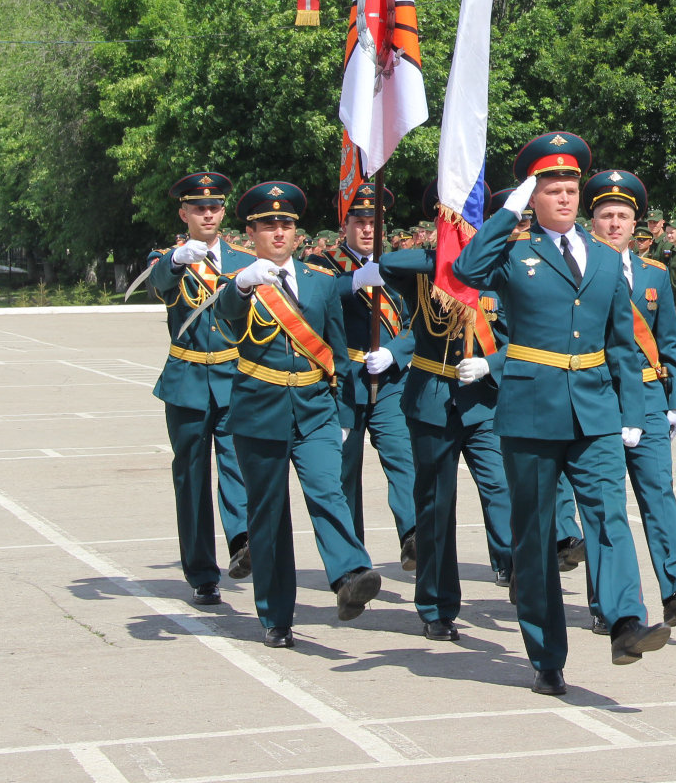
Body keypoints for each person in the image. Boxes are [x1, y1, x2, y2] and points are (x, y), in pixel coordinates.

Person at [451, 132, 670, 695]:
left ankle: (624, 621)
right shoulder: (514, 250)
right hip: (529, 410)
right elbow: (467, 270)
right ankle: (547, 654)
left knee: (608, 516)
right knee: (536, 535)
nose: (566, 198)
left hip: (595, 408)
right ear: (534, 195)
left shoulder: (603, 257)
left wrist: (631, 411)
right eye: (552, 188)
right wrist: (507, 211)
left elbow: (622, 340)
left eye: (572, 187)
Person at [214, 181, 381, 649]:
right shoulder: (240, 282)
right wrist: (242, 287)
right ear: (251, 233)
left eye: (286, 223)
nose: (279, 231)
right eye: (269, 224)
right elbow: (226, 318)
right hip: (258, 412)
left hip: (314, 411)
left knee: (329, 491)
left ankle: (350, 574)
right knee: (268, 516)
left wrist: (345, 411)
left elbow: (337, 352)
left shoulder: (319, 282)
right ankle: (276, 616)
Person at [360, 188, 513, 642]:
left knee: (503, 488)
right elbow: (387, 264)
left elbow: (521, 334)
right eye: (447, 222)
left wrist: (492, 363)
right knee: (435, 505)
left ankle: (516, 570)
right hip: (431, 399)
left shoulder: (496, 268)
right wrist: (444, 252)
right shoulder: (425, 271)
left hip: (483, 399)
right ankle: (435, 604)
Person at [576, 170, 676, 632]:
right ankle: (605, 603)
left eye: (624, 216)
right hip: (602, 398)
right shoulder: (579, 271)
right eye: (606, 215)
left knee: (659, 494)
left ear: (636, 224)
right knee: (604, 503)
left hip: (651, 398)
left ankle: (675, 590)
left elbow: (670, 343)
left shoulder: (655, 274)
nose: (615, 223)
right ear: (591, 220)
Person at [145, 172, 253, 605]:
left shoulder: (243, 258)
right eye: (198, 208)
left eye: (214, 207)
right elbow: (157, 285)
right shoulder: (168, 257)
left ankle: (242, 542)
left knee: (238, 466)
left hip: (234, 377)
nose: (207, 214)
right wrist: (175, 261)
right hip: (187, 381)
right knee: (191, 478)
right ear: (184, 213)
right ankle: (201, 572)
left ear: (223, 211)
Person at [311, 182, 418, 570]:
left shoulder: (399, 265)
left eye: (375, 221)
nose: (369, 229)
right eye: (360, 221)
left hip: (389, 378)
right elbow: (314, 300)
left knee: (403, 457)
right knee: (343, 472)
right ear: (345, 224)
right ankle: (352, 560)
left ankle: (413, 535)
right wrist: (353, 281)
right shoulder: (323, 265)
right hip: (343, 381)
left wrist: (396, 351)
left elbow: (417, 321)